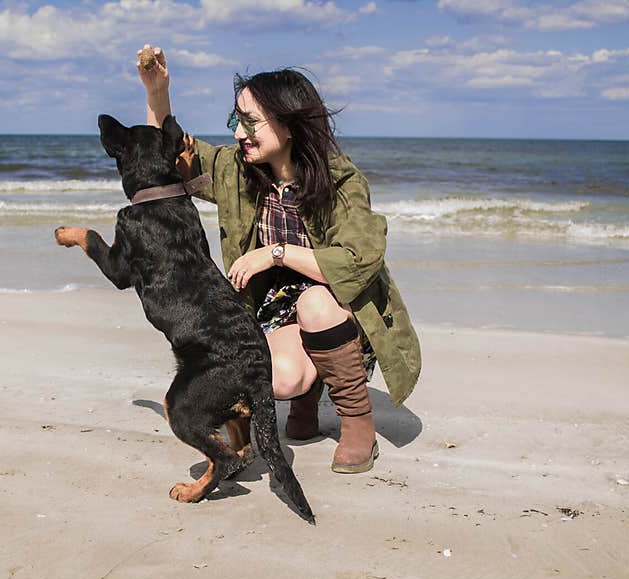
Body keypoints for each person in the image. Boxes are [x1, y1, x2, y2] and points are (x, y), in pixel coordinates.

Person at [137, 44, 421, 474]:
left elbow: (360, 259)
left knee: (314, 303)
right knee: (280, 379)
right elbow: (167, 154)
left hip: (341, 309)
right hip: (275, 310)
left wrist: (275, 253)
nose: (238, 132)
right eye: (236, 120)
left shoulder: (340, 181)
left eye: (250, 121)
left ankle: (357, 423)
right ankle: (307, 395)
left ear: (288, 125)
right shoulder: (236, 169)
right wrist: (158, 92)